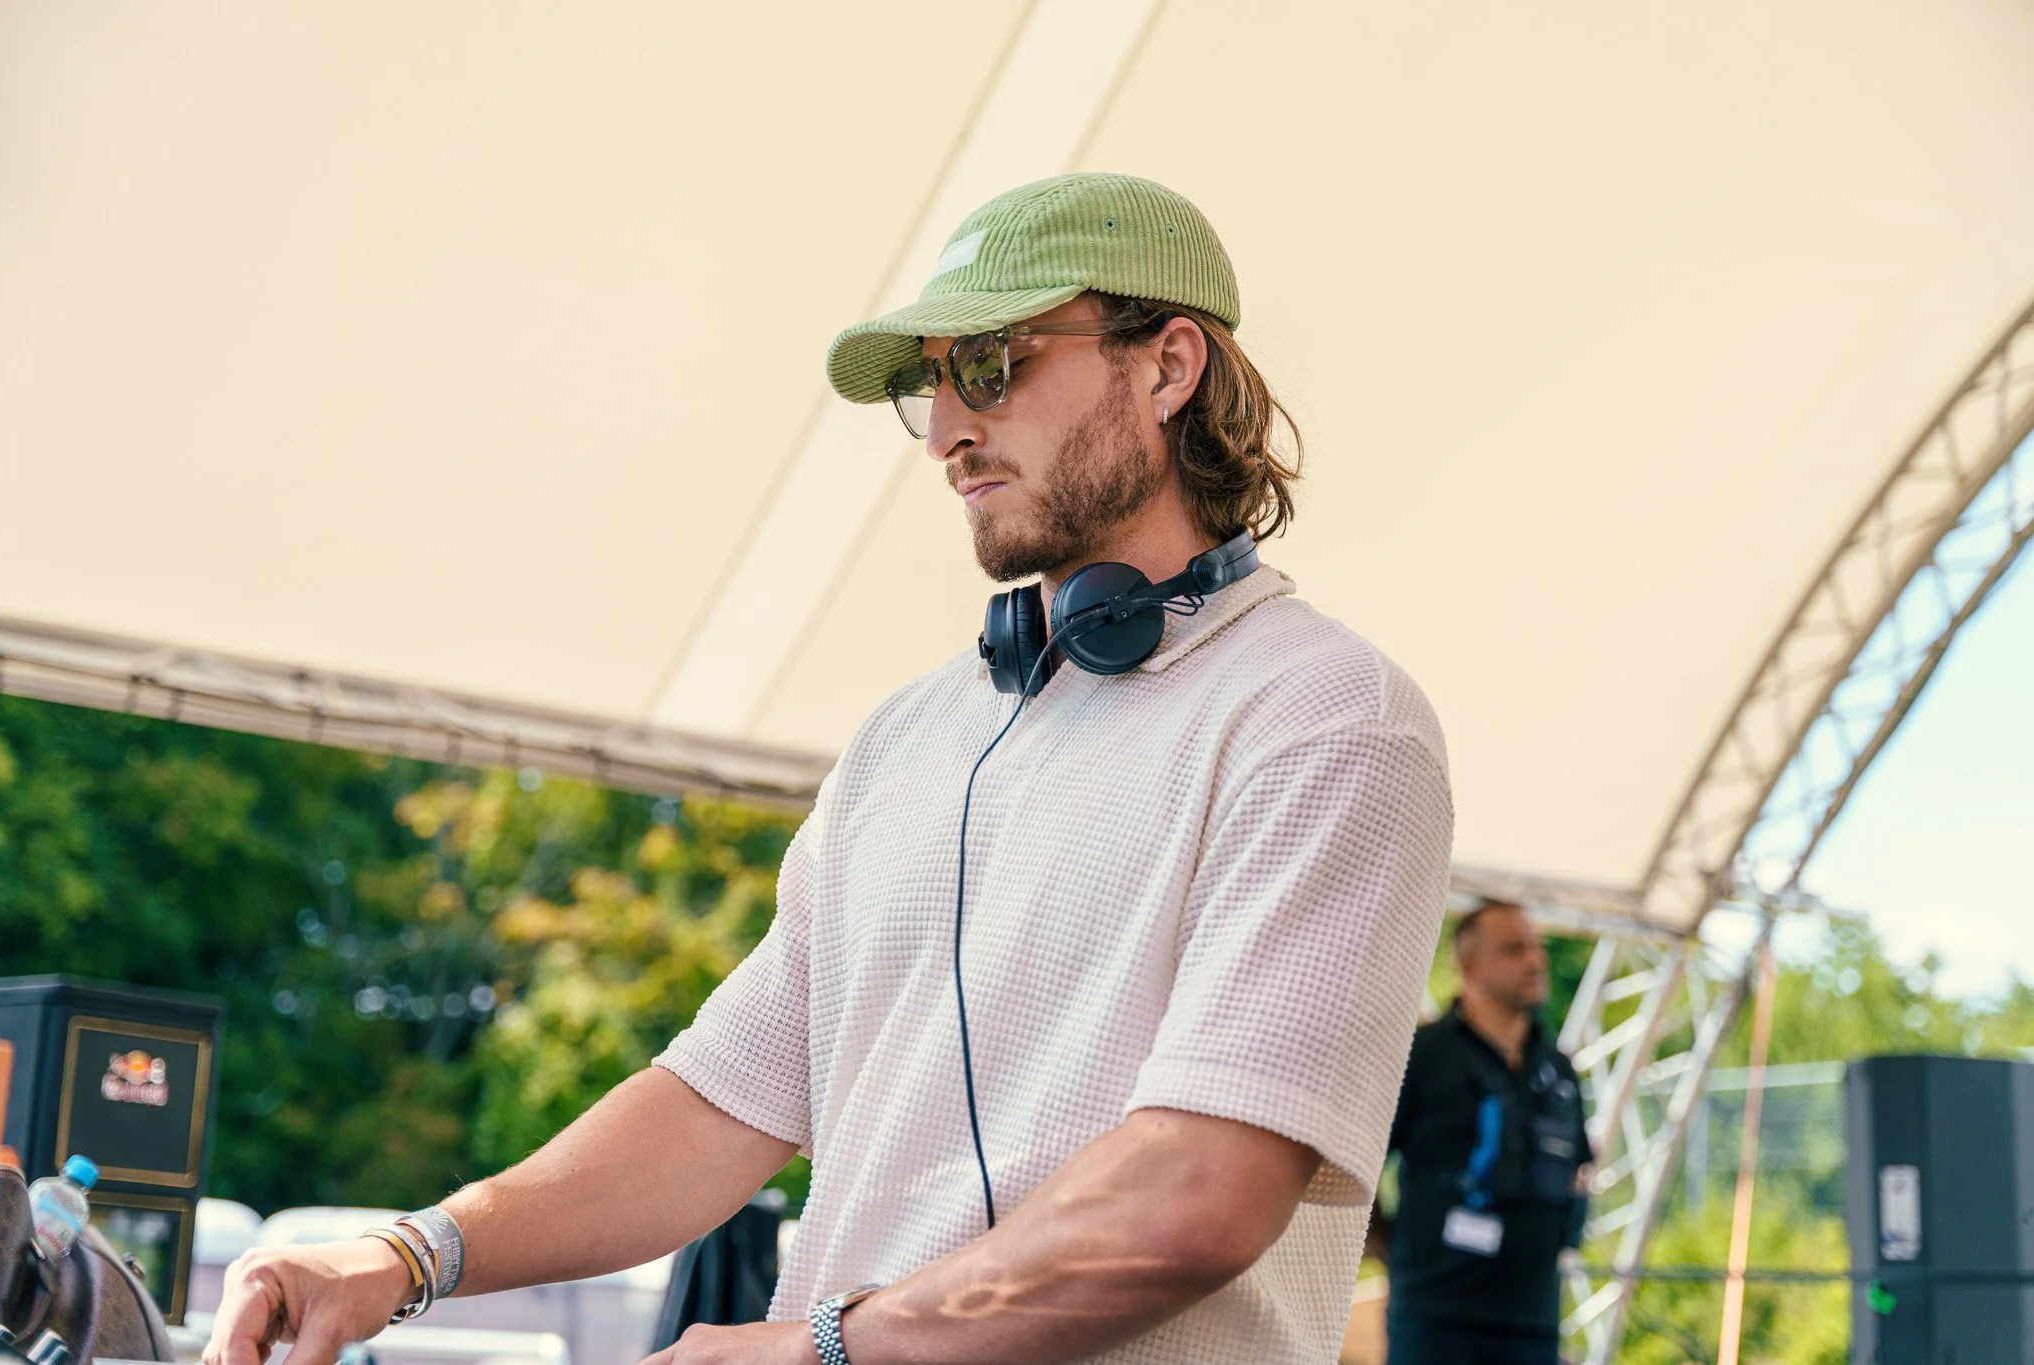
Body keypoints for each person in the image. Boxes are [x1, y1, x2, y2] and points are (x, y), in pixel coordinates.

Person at [206, 173, 1454, 1365]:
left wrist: (821, 1347)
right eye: (930, 386)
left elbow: (1196, 1195)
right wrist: (402, 1257)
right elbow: (715, 1103)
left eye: (990, 364)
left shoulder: (1327, 722)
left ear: (1167, 365)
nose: (948, 432)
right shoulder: (907, 740)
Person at [1372, 901, 1591, 1364]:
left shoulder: (1557, 1069)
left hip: (1532, 1324)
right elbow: (1362, 1164)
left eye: (1536, 947)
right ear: (1468, 964)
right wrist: (1389, 1249)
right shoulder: (1424, 1055)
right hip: (1435, 1320)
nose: (1534, 961)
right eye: (1514, 949)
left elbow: (1579, 1170)